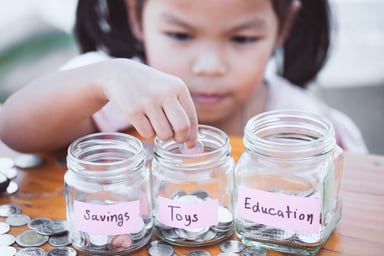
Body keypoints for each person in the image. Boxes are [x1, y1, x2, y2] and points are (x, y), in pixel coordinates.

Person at [0, 0, 367, 153]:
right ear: (135, 15)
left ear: (283, 26)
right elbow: (12, 129)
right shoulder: (108, 91)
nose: (209, 65)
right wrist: (103, 78)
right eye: (179, 35)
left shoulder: (306, 126)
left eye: (242, 38)